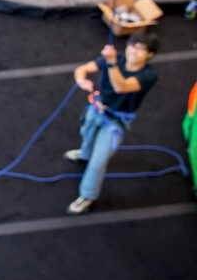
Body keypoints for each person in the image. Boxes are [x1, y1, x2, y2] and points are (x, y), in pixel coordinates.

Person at [66, 31, 159, 214]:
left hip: (115, 122)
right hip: (97, 109)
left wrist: (111, 62)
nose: (134, 51)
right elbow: (82, 69)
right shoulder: (118, 58)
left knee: (98, 162)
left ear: (150, 55)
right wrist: (81, 80)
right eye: (133, 45)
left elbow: (121, 86)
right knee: (87, 136)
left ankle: (88, 196)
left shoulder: (148, 75)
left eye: (141, 49)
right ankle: (84, 154)